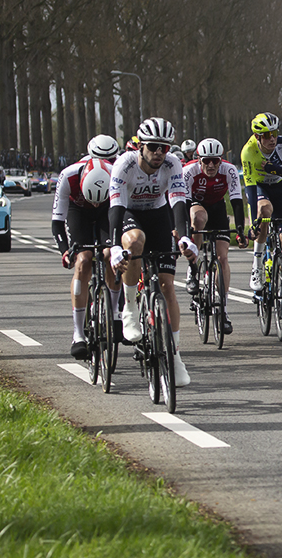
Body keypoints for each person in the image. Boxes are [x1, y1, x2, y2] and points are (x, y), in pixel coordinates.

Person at [108, 117, 197, 387]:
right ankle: (131, 309)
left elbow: (179, 202)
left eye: (165, 147)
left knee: (168, 287)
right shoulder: (124, 165)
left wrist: (184, 237)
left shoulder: (172, 164)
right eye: (154, 146)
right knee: (135, 242)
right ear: (141, 146)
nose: (159, 152)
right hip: (130, 213)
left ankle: (176, 356)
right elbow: (116, 207)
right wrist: (114, 246)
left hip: (158, 214)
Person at [52, 134, 122, 359]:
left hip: (107, 210)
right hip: (78, 212)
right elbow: (57, 220)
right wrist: (64, 250)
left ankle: (113, 314)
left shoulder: (118, 174)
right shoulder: (69, 176)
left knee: (110, 254)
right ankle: (78, 333)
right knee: (82, 261)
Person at [240, 112, 282, 308]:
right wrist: (253, 223)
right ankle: (257, 264)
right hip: (260, 188)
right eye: (267, 135)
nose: (272, 139)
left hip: (280, 187)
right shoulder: (248, 152)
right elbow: (250, 191)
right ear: (258, 137)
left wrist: (280, 171)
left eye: (274, 133)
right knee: (264, 210)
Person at [183, 137, 247, 335]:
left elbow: (237, 201)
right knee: (199, 218)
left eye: (215, 161)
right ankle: (193, 267)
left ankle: (224, 310)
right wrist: (186, 235)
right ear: (198, 159)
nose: (211, 165)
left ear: (221, 160)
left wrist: (240, 230)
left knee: (222, 257)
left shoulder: (229, 171)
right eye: (206, 161)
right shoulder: (189, 171)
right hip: (195, 205)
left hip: (218, 208)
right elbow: (183, 205)